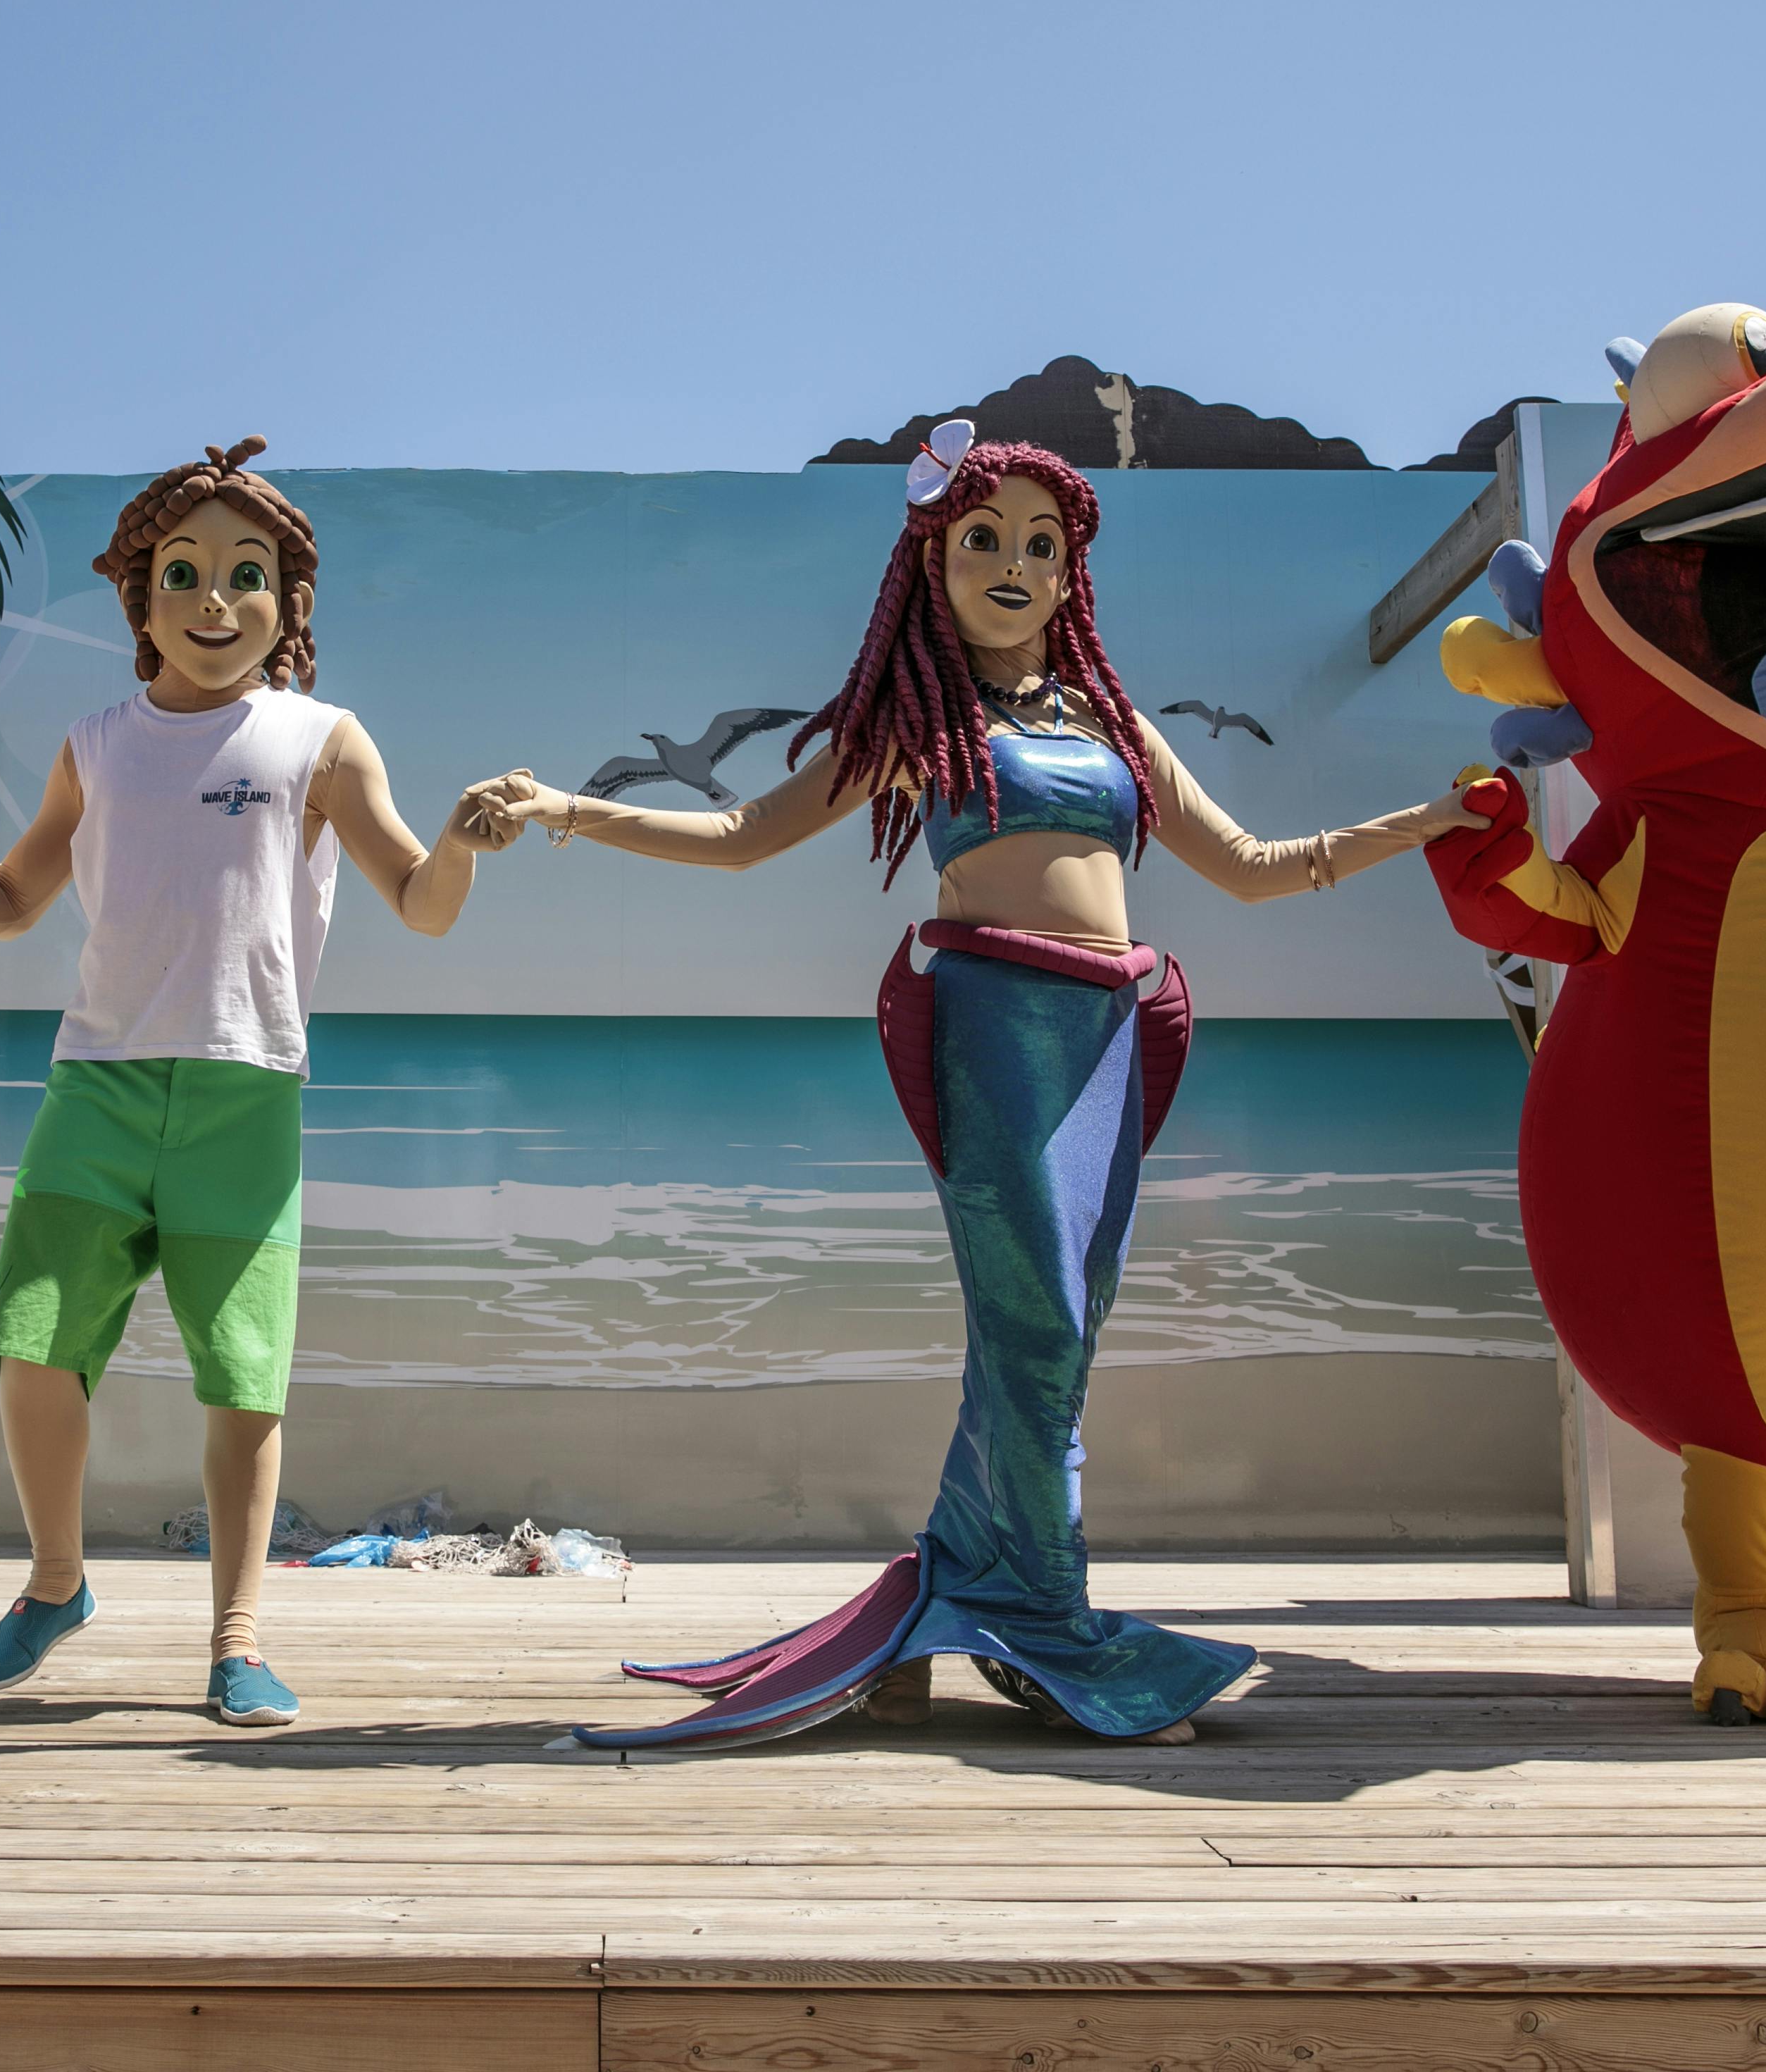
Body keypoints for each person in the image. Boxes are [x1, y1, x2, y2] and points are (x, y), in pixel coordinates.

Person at [477, 426, 1485, 1748]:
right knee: (1039, 1329)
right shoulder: (919, 725)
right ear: (931, 559)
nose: (1013, 563)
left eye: (1040, 545)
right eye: (983, 539)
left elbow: (1253, 863)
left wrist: (1422, 824)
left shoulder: (1115, 727)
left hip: (1111, 1033)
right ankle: (1051, 1623)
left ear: (1073, 577)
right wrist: (568, 806)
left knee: (1064, 1323)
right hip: (993, 1023)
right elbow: (737, 838)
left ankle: (951, 1591)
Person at [0, 438, 514, 1727]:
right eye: (182, 574)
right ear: (138, 600)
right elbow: (11, 896)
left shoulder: (321, 741)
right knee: (32, 1347)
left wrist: (464, 843)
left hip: (248, 1096)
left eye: (248, 577)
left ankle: (236, 1642)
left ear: (288, 605)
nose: (214, 602)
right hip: (97, 1088)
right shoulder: (96, 744)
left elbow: (420, 904)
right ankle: (56, 1584)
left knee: (243, 1385)